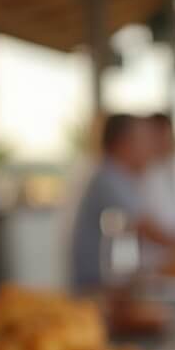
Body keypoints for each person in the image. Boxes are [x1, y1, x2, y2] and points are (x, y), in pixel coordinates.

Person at [69, 113, 156, 291]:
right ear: (124, 143)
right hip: (96, 290)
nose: (150, 149)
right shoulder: (108, 178)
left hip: (106, 285)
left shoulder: (117, 176)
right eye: (144, 141)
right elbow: (149, 230)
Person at [138, 112, 175, 239]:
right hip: (158, 256)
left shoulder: (169, 171)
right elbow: (156, 233)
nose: (170, 141)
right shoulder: (142, 176)